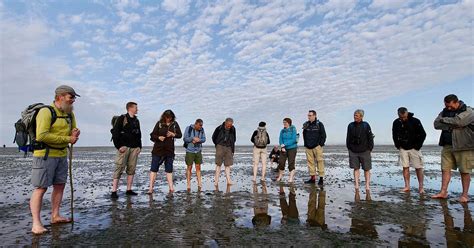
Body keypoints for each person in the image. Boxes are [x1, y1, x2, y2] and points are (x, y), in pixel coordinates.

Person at [29, 85, 80, 235]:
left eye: (74, 98)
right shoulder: (46, 112)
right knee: (41, 188)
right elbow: (42, 135)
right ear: (60, 97)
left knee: (59, 185)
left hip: (61, 154)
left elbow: (73, 131)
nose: (73, 101)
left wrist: (75, 133)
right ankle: (36, 223)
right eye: (71, 97)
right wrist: (68, 138)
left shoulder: (70, 114)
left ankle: (55, 215)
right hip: (44, 155)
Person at [432, 94, 473, 203]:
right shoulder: (444, 111)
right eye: (446, 106)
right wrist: (453, 123)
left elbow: (460, 122)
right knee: (445, 169)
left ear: (456, 102)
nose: (448, 108)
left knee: (464, 170)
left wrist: (446, 121)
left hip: (464, 145)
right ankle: (443, 192)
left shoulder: (469, 111)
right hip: (447, 144)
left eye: (450, 106)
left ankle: (464, 196)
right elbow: (436, 124)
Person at [110, 102, 142, 199]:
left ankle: (129, 190)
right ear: (130, 108)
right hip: (124, 148)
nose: (137, 109)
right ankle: (114, 191)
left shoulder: (136, 120)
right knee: (119, 168)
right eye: (136, 108)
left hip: (134, 148)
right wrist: (119, 146)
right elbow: (115, 133)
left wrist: (139, 147)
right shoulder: (122, 118)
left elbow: (139, 134)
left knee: (131, 169)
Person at [392, 107, 426, 194]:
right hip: (403, 148)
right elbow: (394, 135)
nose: (403, 119)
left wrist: (418, 146)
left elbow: (423, 134)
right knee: (405, 167)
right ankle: (407, 186)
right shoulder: (396, 122)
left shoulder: (415, 121)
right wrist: (398, 145)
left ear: (407, 114)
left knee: (418, 167)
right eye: (401, 117)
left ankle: (421, 187)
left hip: (414, 148)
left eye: (405, 117)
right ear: (398, 115)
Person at [148, 110, 182, 194]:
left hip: (169, 151)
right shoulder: (159, 123)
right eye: (167, 117)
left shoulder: (175, 124)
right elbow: (152, 136)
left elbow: (180, 135)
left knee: (169, 169)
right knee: (154, 169)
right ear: (164, 116)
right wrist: (158, 137)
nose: (168, 119)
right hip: (158, 150)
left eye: (170, 117)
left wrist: (173, 134)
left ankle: (171, 188)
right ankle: (151, 188)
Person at [346, 109, 374, 191]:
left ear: (361, 116)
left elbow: (370, 138)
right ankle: (357, 185)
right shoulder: (350, 125)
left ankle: (367, 186)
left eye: (357, 115)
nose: (355, 117)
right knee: (356, 168)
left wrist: (370, 148)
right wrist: (349, 148)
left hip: (365, 151)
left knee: (367, 169)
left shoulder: (366, 125)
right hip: (353, 151)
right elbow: (348, 137)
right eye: (354, 115)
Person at [303, 110, 327, 185]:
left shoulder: (319, 124)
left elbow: (323, 135)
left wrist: (320, 144)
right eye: (308, 115)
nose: (308, 117)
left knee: (320, 161)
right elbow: (304, 134)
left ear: (314, 116)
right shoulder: (306, 124)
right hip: (308, 147)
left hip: (317, 147)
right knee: (310, 162)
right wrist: (306, 144)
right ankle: (312, 178)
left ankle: (321, 179)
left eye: (310, 115)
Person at [183, 119, 206, 191]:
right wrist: (192, 138)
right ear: (196, 124)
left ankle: (199, 183)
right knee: (189, 167)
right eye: (200, 125)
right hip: (190, 151)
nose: (201, 127)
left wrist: (199, 140)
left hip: (198, 151)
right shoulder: (188, 128)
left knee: (198, 167)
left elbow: (204, 139)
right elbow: (185, 139)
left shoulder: (202, 129)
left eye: (202, 126)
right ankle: (188, 184)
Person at [212, 118, 236, 186]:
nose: (229, 126)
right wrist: (217, 144)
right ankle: (216, 182)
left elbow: (234, 138)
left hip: (229, 147)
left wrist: (232, 148)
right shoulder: (219, 128)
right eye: (228, 125)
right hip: (220, 146)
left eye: (231, 125)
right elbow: (213, 137)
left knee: (228, 165)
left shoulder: (233, 129)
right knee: (218, 164)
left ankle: (229, 181)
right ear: (225, 123)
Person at [275, 118, 298, 183]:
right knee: (281, 162)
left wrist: (284, 144)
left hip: (292, 148)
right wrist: (282, 146)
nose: (284, 123)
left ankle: (290, 178)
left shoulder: (293, 129)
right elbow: (280, 139)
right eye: (283, 122)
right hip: (283, 149)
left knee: (291, 163)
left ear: (289, 123)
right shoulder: (282, 131)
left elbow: (293, 139)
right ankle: (280, 176)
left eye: (285, 122)